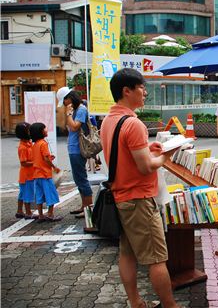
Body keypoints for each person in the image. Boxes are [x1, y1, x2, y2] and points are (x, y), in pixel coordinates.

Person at [100, 68, 180, 308]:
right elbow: (146, 167)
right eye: (142, 88)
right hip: (139, 200)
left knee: (127, 253)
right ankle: (170, 306)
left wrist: (148, 147)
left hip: (120, 196)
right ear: (127, 91)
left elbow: (126, 154)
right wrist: (166, 155)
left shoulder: (108, 120)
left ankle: (135, 302)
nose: (145, 92)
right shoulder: (133, 124)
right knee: (157, 258)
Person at [56, 87, 93, 217]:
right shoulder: (76, 109)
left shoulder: (81, 109)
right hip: (73, 148)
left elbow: (74, 126)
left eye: (64, 101)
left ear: (69, 98)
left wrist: (68, 114)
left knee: (81, 179)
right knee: (78, 179)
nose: (64, 104)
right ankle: (84, 206)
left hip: (78, 149)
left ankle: (88, 208)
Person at [29, 122, 62, 222]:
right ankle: (50, 214)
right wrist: (54, 167)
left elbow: (38, 158)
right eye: (44, 129)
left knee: (39, 195)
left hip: (36, 175)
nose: (46, 130)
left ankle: (40, 215)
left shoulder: (34, 145)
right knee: (50, 194)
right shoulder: (43, 143)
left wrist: (48, 158)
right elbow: (46, 159)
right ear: (40, 132)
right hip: (45, 174)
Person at [15, 122, 36, 219]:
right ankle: (28, 212)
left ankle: (19, 211)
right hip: (27, 175)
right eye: (28, 130)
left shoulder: (28, 144)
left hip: (28, 174)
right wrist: (35, 163)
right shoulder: (23, 147)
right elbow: (23, 163)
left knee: (23, 193)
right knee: (28, 193)